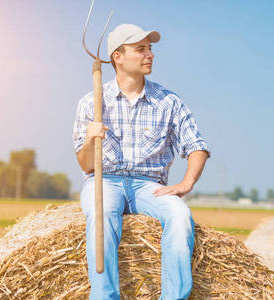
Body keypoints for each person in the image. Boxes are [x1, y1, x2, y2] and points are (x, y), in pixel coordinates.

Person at [72, 23, 210, 300]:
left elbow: (197, 146)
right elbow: (86, 165)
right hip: (105, 180)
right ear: (118, 57)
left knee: (180, 216)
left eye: (150, 49)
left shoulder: (169, 101)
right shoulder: (92, 102)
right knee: (101, 217)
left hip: (150, 186)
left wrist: (187, 182)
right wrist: (90, 139)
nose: (150, 55)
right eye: (141, 49)